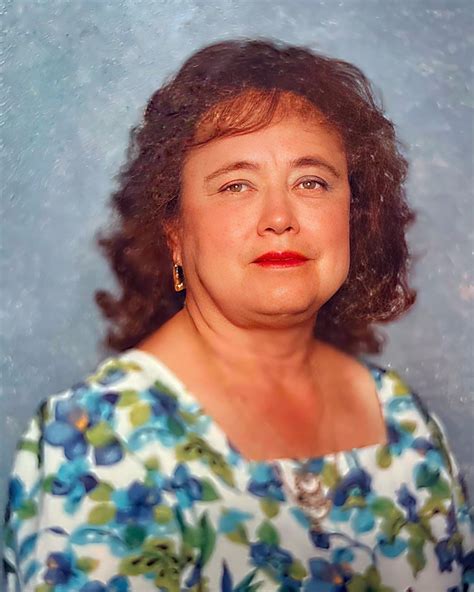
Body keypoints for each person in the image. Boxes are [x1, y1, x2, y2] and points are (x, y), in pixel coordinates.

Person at [3, 38, 472, 592]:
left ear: (355, 214)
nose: (279, 217)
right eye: (236, 185)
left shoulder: (403, 419)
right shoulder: (97, 439)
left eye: (311, 182)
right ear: (174, 232)